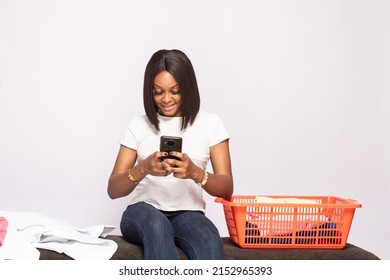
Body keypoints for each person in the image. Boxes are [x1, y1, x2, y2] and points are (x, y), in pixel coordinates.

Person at [107, 49, 233, 260]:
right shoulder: (137, 125)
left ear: (188, 88)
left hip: (189, 214)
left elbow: (226, 187)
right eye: (158, 92)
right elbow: (113, 189)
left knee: (208, 239)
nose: (166, 99)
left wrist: (195, 172)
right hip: (142, 212)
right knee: (156, 224)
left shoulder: (211, 124)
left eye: (175, 91)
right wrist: (143, 168)